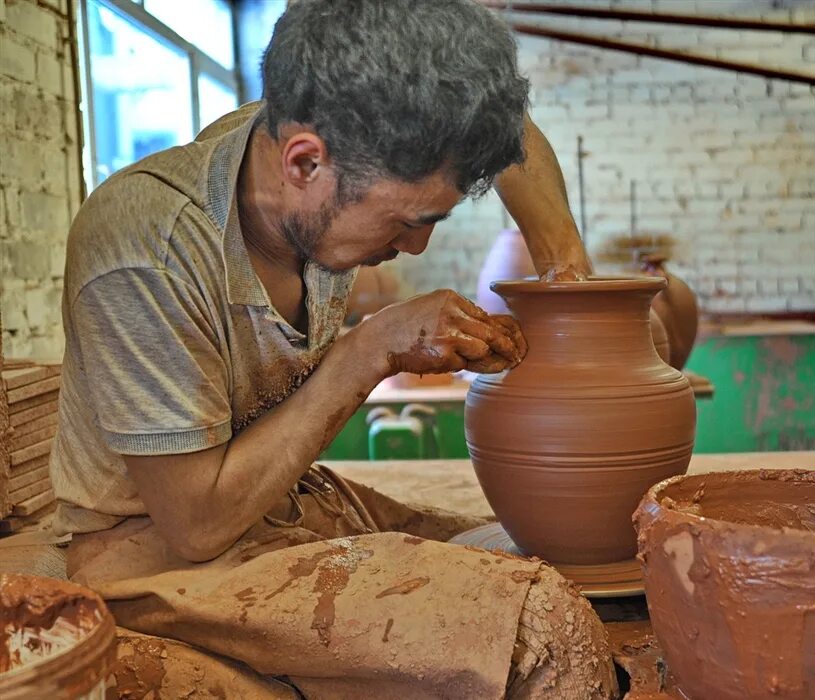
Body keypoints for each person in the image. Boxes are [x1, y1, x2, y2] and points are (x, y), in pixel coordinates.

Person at [52, 1, 615, 697]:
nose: (416, 246)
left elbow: (505, 129)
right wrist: (370, 350)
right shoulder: (145, 250)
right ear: (305, 161)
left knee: (525, 553)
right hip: (155, 551)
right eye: (410, 221)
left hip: (284, 501)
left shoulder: (303, 144)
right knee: (539, 631)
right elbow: (196, 526)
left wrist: (564, 266)